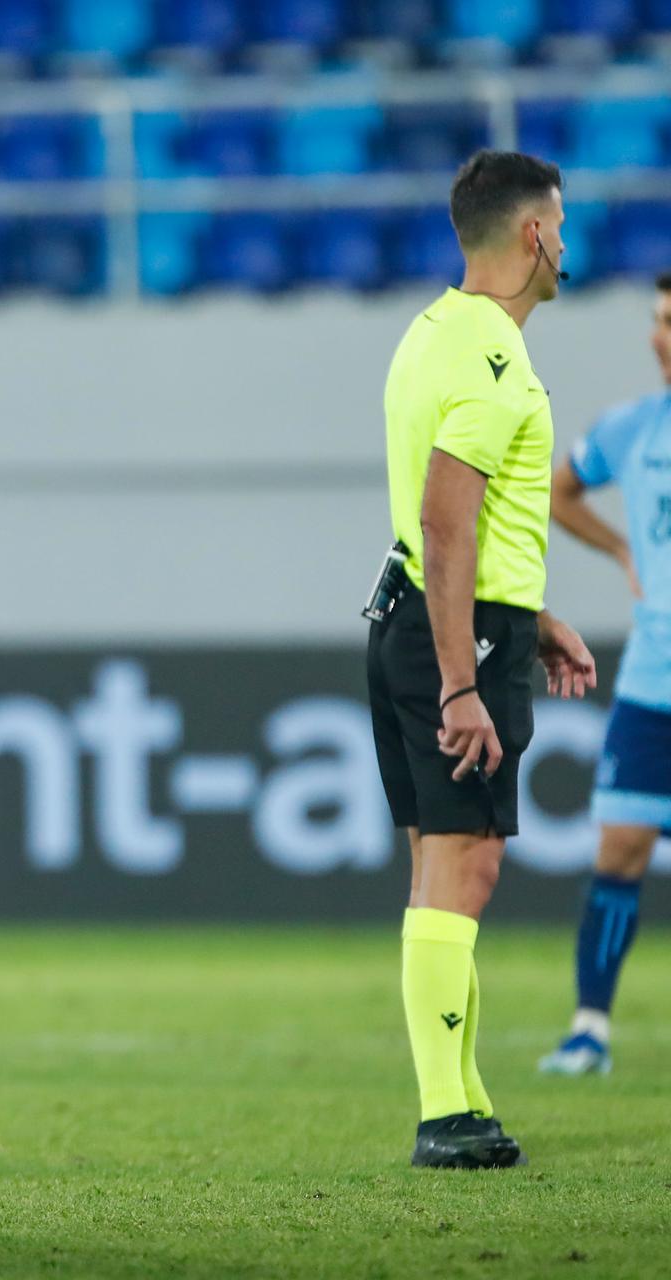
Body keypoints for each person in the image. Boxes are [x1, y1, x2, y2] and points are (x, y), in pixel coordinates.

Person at [366, 149, 597, 1169]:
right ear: (535, 234)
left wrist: (534, 609)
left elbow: (457, 523)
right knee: (465, 863)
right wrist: (464, 681)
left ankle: (463, 1098)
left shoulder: (433, 334)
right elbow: (447, 520)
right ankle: (443, 1112)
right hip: (456, 634)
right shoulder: (495, 359)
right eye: (563, 223)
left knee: (443, 865)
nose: (566, 242)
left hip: (425, 614)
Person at [538, 272, 671, 1077]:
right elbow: (560, 491)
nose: (661, 335)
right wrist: (620, 548)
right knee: (618, 846)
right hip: (652, 687)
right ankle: (589, 1029)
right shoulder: (632, 429)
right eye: (658, 319)